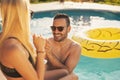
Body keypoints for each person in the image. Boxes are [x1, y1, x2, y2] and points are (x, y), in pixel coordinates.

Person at [0, 0, 46, 80]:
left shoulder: (5, 38)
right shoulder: (13, 49)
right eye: (29, 13)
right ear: (22, 16)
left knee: (65, 72)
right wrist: (40, 50)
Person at [34, 13, 81, 80]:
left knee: (73, 77)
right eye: (53, 28)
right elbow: (36, 65)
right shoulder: (47, 43)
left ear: (69, 29)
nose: (56, 32)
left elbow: (68, 71)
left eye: (60, 28)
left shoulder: (74, 47)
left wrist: (50, 54)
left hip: (61, 76)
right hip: (46, 76)